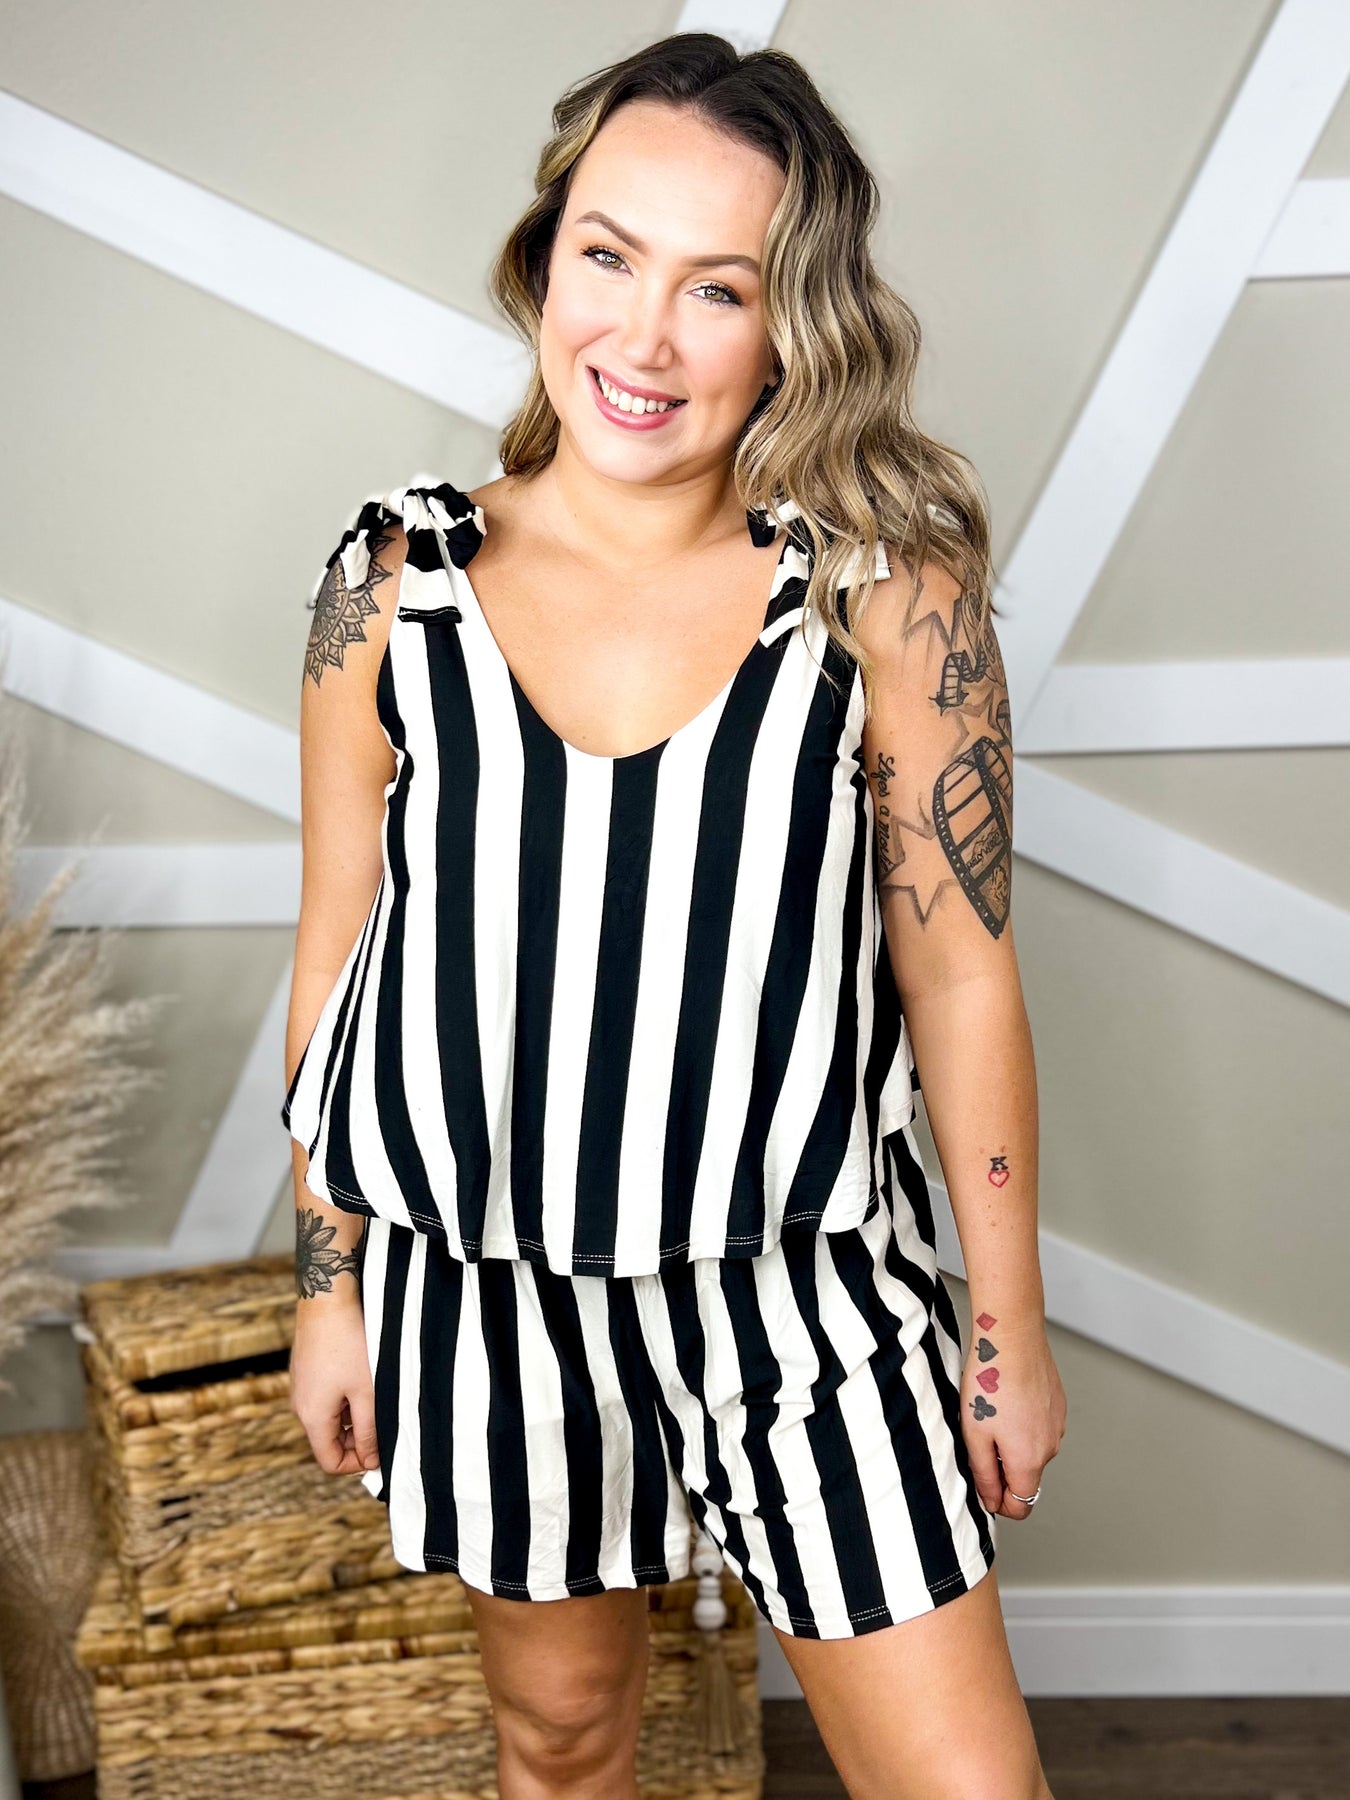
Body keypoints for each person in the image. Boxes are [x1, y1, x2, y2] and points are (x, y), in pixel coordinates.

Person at [282, 30, 1066, 1800]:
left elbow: (960, 978)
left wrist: (1003, 1331)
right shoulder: (394, 582)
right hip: (488, 1290)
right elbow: (338, 963)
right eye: (607, 257)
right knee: (561, 1738)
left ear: (794, 326)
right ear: (544, 261)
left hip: (806, 1290)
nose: (641, 340)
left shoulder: (884, 593)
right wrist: (332, 1290)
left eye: (717, 288)